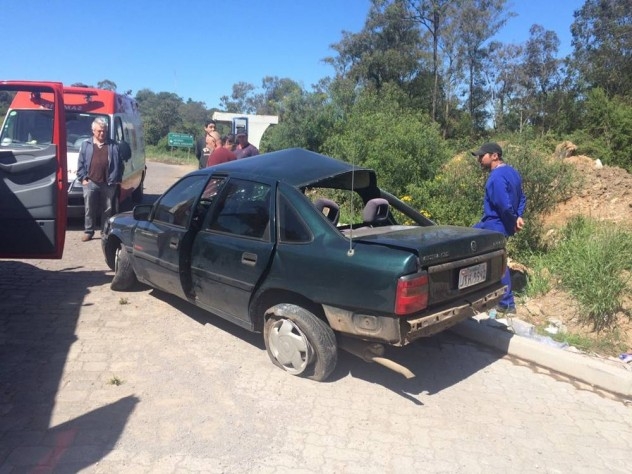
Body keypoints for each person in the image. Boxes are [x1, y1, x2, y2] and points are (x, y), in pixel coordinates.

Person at [471, 142, 526, 314]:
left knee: (496, 261)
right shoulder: (513, 172)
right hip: (499, 222)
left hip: (495, 224)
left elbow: (503, 204)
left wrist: (511, 220)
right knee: (469, 238)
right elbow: (523, 197)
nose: (479, 159)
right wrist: (517, 217)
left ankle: (506, 303)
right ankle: (483, 292)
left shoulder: (496, 177)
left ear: (494, 156)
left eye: (482, 156)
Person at [77, 117, 124, 242]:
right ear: (93, 130)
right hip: (91, 182)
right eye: (99, 131)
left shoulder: (113, 145)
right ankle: (88, 231)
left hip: (109, 183)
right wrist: (83, 179)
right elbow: (80, 163)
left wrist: (118, 178)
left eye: (104, 131)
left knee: (107, 209)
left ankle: (104, 232)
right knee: (89, 209)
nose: (102, 133)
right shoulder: (86, 144)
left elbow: (120, 163)